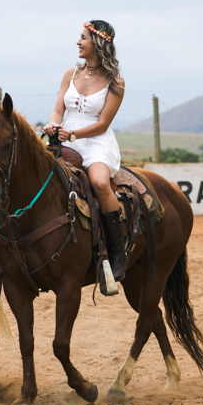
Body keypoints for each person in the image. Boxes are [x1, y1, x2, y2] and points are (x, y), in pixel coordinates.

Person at [42, 20, 125, 293]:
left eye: (83, 38)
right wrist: (52, 124)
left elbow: (102, 124)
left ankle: (116, 253)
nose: (78, 42)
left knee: (100, 184)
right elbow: (58, 110)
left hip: (95, 142)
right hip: (65, 136)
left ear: (98, 43)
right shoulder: (70, 73)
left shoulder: (116, 82)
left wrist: (74, 136)